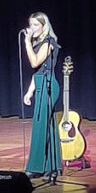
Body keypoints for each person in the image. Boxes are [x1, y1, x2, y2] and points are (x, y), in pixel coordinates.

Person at [22, 12, 62, 180]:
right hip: (40, 84)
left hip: (48, 85)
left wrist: (27, 43)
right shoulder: (38, 44)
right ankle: (53, 166)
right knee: (49, 126)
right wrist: (29, 92)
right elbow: (37, 71)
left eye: (35, 25)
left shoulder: (48, 43)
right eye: (31, 25)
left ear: (44, 26)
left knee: (39, 125)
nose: (32, 28)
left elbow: (35, 62)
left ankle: (35, 167)